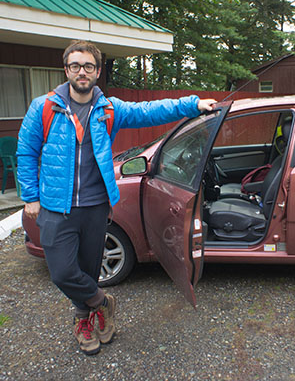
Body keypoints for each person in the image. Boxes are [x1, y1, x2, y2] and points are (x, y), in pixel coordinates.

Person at [16, 40, 217, 355]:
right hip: (56, 207)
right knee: (62, 271)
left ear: (97, 71)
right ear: (66, 69)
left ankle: (84, 321)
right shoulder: (44, 108)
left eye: (88, 66)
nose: (82, 72)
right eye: (75, 66)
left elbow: (150, 111)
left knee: (86, 267)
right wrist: (30, 196)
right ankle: (101, 301)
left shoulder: (109, 109)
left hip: (96, 206)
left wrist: (192, 105)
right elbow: (26, 152)